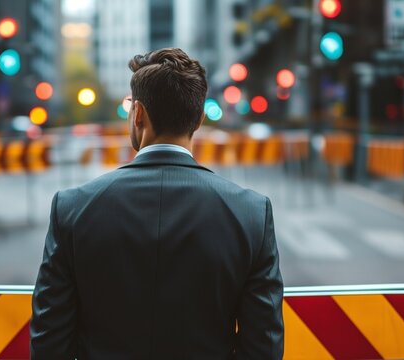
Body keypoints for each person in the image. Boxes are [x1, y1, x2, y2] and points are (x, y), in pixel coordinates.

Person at [31, 48, 284, 359]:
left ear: (138, 114)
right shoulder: (251, 214)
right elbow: (263, 348)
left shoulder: (72, 209)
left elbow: (49, 346)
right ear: (199, 119)